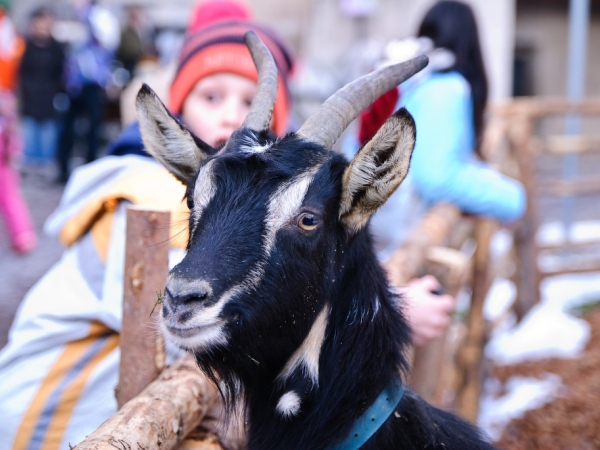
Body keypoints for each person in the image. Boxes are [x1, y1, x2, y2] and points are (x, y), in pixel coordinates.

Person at [0, 1, 291, 448]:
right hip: (45, 415)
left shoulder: (243, 214)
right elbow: (185, 320)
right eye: (212, 97)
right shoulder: (149, 193)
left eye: (253, 104)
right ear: (178, 112)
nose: (233, 117)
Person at [347, 0, 526, 345]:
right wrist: (512, 199)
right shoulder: (448, 88)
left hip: (374, 231)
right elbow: (436, 174)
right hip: (394, 237)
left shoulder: (412, 83)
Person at [55, 1, 118, 183]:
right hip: (71, 84)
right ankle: (63, 170)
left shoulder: (100, 16)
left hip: (91, 83)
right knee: (66, 128)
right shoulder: (70, 15)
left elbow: (107, 42)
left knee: (93, 128)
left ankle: (90, 169)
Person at [0, 0, 37, 254]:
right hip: (6, 106)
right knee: (6, 178)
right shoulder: (10, 31)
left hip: (5, 106)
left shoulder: (7, 30)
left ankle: (22, 233)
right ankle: (22, 233)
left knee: (6, 177)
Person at [19, 7, 65, 170]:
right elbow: (21, 72)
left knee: (47, 136)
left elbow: (61, 74)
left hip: (49, 98)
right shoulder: (25, 46)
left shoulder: (57, 49)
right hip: (29, 98)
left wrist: (56, 94)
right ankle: (29, 166)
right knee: (29, 135)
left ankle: (45, 166)